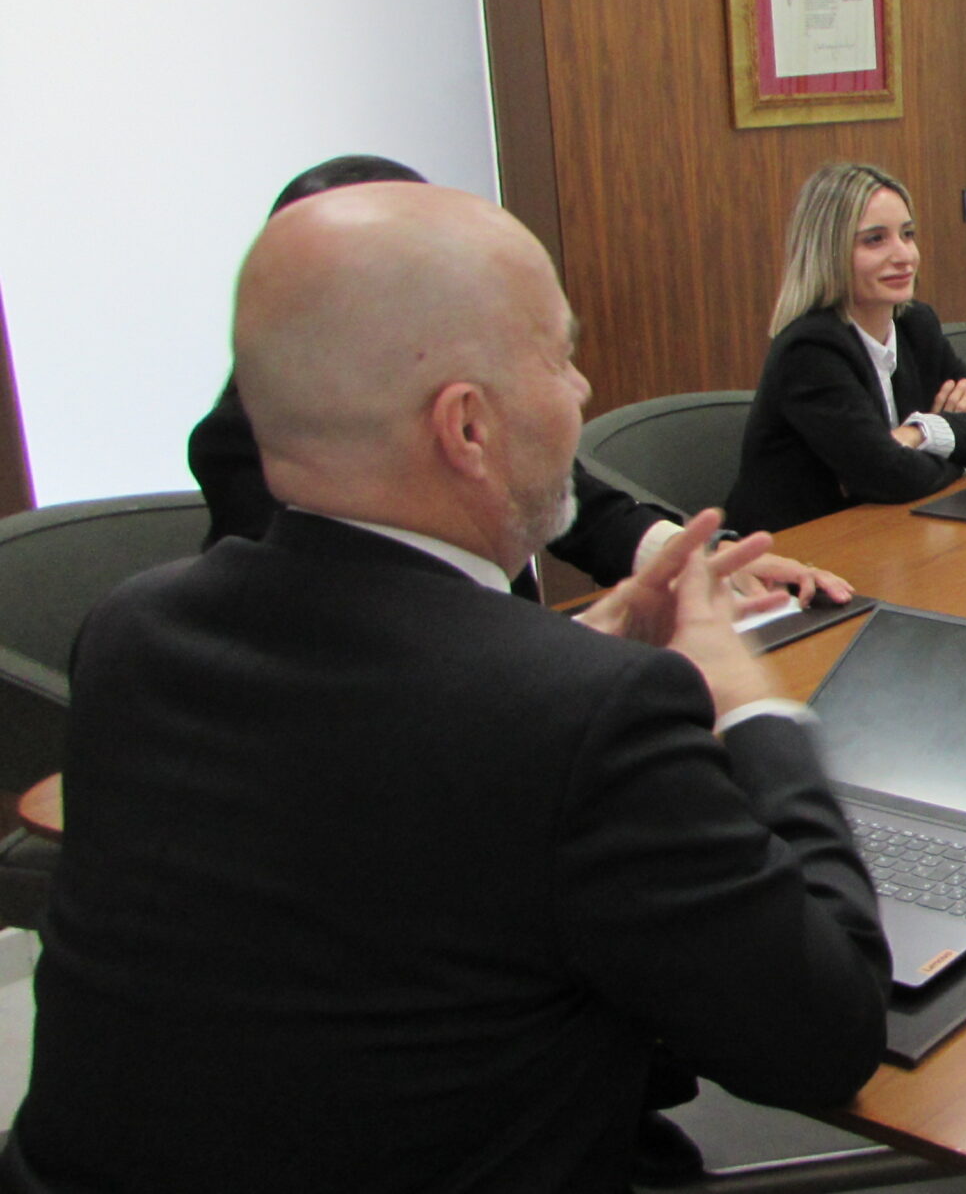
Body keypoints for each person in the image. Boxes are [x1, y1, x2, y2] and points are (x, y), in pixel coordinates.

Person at [5, 183, 892, 1194]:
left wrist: (568, 648)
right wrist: (753, 705)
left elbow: (377, 832)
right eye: (559, 356)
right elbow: (826, 1029)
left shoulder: (129, 635)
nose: (584, 384)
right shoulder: (579, 718)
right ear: (467, 426)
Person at [188, 154, 849, 603]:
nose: (579, 385)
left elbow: (546, 483)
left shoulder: (442, 368)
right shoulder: (246, 436)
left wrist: (680, 554)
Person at [726, 163, 966, 534]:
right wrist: (962, 454)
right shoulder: (810, 350)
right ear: (828, 252)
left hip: (889, 532)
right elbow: (890, 476)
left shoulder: (916, 325)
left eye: (907, 234)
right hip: (796, 552)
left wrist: (920, 433)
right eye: (874, 240)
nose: (904, 256)